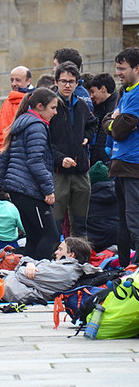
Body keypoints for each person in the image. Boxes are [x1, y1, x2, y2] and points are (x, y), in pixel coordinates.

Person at [0, 88, 60, 260]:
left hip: (18, 189)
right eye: (53, 108)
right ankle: (40, 273)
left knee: (34, 236)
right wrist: (48, 190)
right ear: (39, 106)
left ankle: (26, 274)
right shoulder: (36, 126)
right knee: (50, 237)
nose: (55, 112)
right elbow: (35, 162)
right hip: (28, 189)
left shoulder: (22, 121)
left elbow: (5, 154)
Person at [50, 62, 98, 238]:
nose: (67, 85)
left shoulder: (81, 105)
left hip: (80, 171)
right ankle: (53, 260)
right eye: (63, 81)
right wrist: (59, 158)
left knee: (80, 224)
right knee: (55, 225)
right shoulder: (50, 106)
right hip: (58, 172)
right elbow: (43, 142)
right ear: (56, 82)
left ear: (78, 83)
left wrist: (87, 136)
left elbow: (94, 123)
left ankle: (80, 259)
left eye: (71, 81)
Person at [103, 47, 139, 267]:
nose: (118, 72)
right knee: (123, 223)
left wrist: (112, 123)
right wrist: (113, 121)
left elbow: (119, 130)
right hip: (119, 166)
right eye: (117, 68)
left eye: (122, 68)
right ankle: (126, 267)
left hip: (134, 167)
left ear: (137, 68)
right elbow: (108, 123)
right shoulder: (124, 92)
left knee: (134, 222)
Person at [0, 237, 100, 304]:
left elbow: (22, 274)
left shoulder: (65, 271)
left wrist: (25, 266)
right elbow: (39, 263)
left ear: (71, 255)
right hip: (10, 285)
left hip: (8, 289)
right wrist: (29, 264)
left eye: (60, 249)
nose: (56, 252)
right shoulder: (64, 267)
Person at [0, 66, 34, 149]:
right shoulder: (7, 101)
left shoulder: (33, 102)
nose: (14, 83)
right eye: (12, 80)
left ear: (28, 81)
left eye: (18, 80)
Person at [87, 73, 118, 165]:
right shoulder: (101, 106)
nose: (91, 96)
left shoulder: (115, 107)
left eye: (93, 91)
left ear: (103, 89)